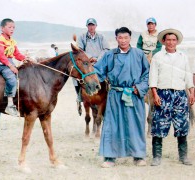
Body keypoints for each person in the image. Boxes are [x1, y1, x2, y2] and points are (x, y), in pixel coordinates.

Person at [94, 27, 150, 168]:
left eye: (126, 37)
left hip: (134, 94)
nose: (123, 40)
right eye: (120, 37)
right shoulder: (109, 55)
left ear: (130, 38)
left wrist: (139, 88)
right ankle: (110, 157)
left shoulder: (139, 54)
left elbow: (147, 74)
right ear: (116, 39)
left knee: (135, 124)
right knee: (112, 125)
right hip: (115, 94)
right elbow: (97, 71)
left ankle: (138, 156)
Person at [149, 29, 194, 166]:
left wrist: (192, 92)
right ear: (164, 41)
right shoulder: (158, 57)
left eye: (173, 40)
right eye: (168, 40)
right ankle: (157, 157)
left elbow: (188, 76)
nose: (171, 42)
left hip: (180, 95)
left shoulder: (183, 57)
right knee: (158, 125)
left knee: (182, 125)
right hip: (162, 94)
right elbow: (153, 77)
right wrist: (155, 94)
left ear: (177, 42)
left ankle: (183, 156)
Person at [0, 18, 30, 116]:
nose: (12, 29)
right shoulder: (0, 40)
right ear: (2, 28)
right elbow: (1, 55)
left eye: (13, 27)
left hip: (10, 61)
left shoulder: (12, 41)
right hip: (2, 64)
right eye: (9, 27)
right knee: (12, 80)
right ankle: (9, 105)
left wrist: (24, 58)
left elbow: (17, 54)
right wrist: (11, 66)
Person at [74, 18, 110, 115]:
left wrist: (98, 58)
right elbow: (80, 50)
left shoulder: (101, 37)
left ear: (96, 26)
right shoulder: (82, 37)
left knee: (109, 75)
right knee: (76, 78)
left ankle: (108, 96)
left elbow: (106, 49)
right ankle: (79, 96)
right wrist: (89, 58)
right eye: (89, 25)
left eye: (93, 25)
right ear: (87, 26)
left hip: (100, 62)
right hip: (87, 63)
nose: (91, 27)